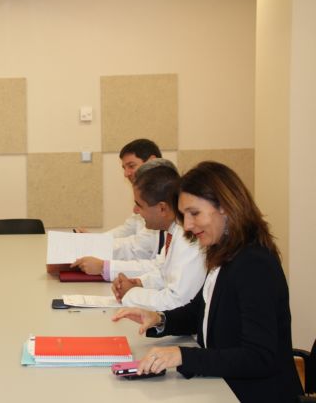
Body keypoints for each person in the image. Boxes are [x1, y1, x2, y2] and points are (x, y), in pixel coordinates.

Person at [112, 162, 303, 402]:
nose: (187, 225)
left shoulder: (254, 264)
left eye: (194, 213)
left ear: (225, 207)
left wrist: (183, 356)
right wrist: (160, 319)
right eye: (184, 215)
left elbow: (259, 356)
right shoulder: (225, 252)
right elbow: (200, 312)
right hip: (224, 386)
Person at [73, 162, 205, 311]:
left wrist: (130, 294)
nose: (135, 210)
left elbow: (175, 302)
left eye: (139, 205)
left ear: (162, 208)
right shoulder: (173, 231)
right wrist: (138, 282)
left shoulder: (186, 239)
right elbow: (161, 271)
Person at [76, 138, 163, 261]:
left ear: (152, 161)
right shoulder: (147, 193)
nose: (126, 174)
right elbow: (127, 230)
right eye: (124, 168)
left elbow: (138, 248)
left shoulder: (164, 194)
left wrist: (95, 246)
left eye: (131, 166)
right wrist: (94, 240)